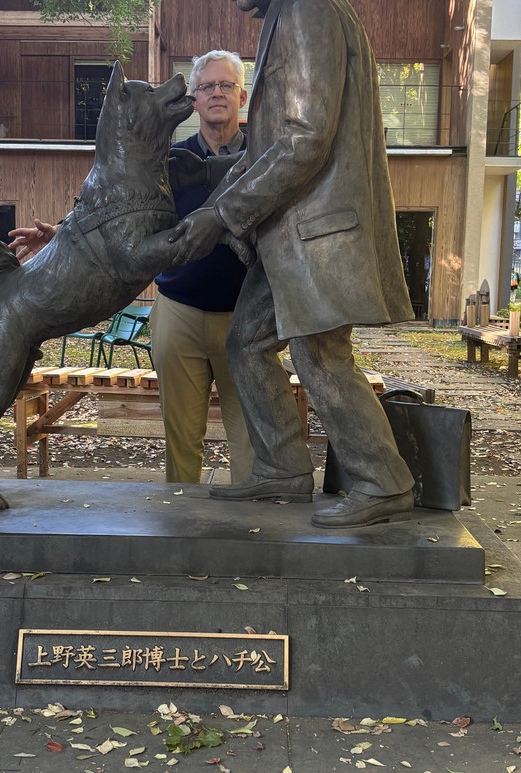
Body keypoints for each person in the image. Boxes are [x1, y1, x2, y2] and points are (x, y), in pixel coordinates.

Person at [167, 0, 417, 529]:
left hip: (317, 228)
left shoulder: (309, 9)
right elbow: (263, 148)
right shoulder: (290, 14)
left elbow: (304, 138)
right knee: (248, 342)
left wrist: (226, 213)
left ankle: (383, 480)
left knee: (321, 355)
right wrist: (217, 210)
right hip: (287, 232)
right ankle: (282, 468)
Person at [7, 51, 255, 486]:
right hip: (180, 314)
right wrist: (61, 235)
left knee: (251, 442)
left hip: (247, 317)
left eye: (226, 85)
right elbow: (116, 208)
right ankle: (181, 531)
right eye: (206, 86)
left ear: (243, 96)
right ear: (194, 99)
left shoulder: (263, 160)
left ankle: (254, 536)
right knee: (182, 443)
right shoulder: (168, 159)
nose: (216, 93)